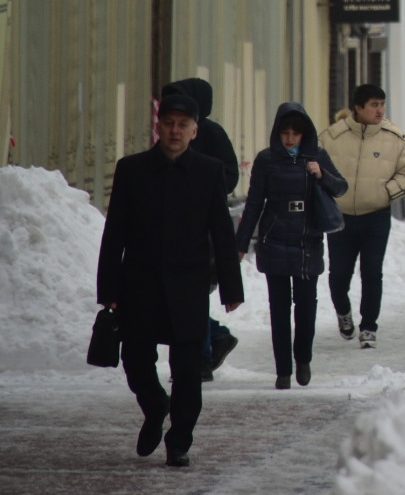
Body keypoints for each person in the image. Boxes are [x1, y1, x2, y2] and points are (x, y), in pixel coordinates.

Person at [97, 92, 243, 469]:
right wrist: (109, 288)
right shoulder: (132, 169)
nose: (175, 131)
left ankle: (179, 441)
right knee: (135, 361)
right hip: (139, 285)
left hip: (188, 287)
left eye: (183, 125)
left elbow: (221, 232)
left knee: (188, 371)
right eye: (169, 124)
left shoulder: (210, 172)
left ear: (195, 131)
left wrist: (231, 286)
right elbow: (115, 232)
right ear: (157, 127)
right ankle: (155, 405)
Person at [236, 102, 347, 390]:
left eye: (295, 133)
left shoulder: (317, 156)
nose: (290, 138)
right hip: (274, 241)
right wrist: (241, 243)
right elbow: (253, 205)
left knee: (306, 307)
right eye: (285, 132)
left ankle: (304, 360)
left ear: (304, 134)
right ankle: (282, 369)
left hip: (308, 243)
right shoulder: (266, 161)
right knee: (279, 308)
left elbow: (341, 187)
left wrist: (321, 173)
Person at [320, 83, 405, 350]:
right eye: (373, 105)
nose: (379, 110)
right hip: (341, 218)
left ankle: (368, 327)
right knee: (339, 274)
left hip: (376, 216)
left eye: (381, 104)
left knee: (372, 273)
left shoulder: (392, 138)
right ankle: (343, 313)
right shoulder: (332, 138)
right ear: (358, 108)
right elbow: (316, 170)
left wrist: (385, 193)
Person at [159, 76, 240, 380]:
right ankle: (214, 336)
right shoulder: (171, 134)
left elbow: (229, 175)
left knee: (193, 291)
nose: (176, 126)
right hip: (171, 223)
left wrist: (201, 183)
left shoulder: (212, 134)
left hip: (204, 224)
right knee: (172, 294)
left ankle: (201, 359)